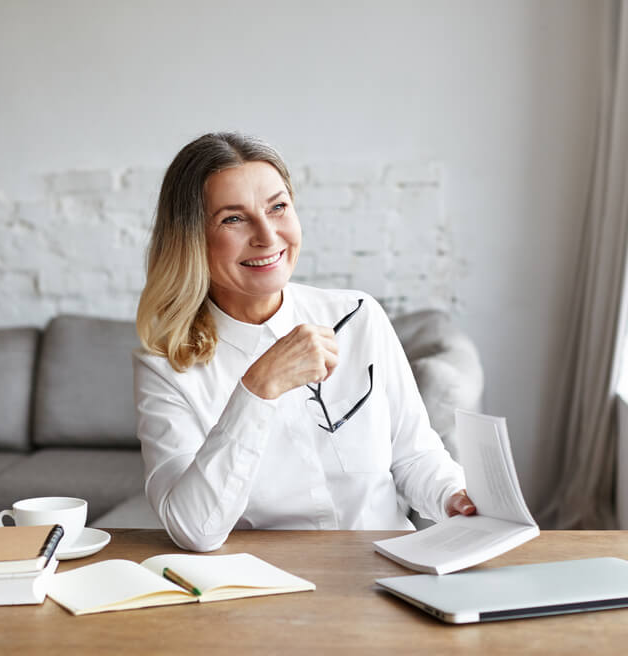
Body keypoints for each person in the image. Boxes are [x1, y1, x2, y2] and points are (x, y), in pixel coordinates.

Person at [133, 132, 475, 552]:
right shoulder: (166, 366)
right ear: (191, 238)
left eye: (278, 207)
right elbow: (194, 530)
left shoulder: (358, 316)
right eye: (233, 219)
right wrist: (256, 389)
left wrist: (455, 498)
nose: (267, 235)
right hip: (273, 590)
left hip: (391, 569)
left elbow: (414, 454)